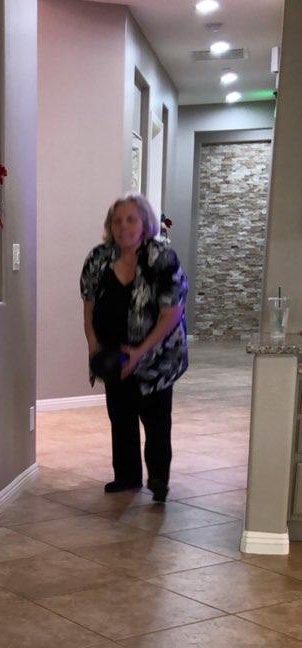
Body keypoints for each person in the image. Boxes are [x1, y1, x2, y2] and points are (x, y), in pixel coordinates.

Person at [80, 192, 188, 502]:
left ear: (145, 224)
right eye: (117, 221)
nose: (123, 226)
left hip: (157, 357)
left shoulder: (162, 258)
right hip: (114, 355)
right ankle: (126, 477)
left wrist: (140, 353)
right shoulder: (98, 258)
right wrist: (94, 347)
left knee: (156, 422)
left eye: (131, 219)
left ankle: (158, 480)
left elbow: (172, 313)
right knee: (121, 417)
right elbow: (88, 307)